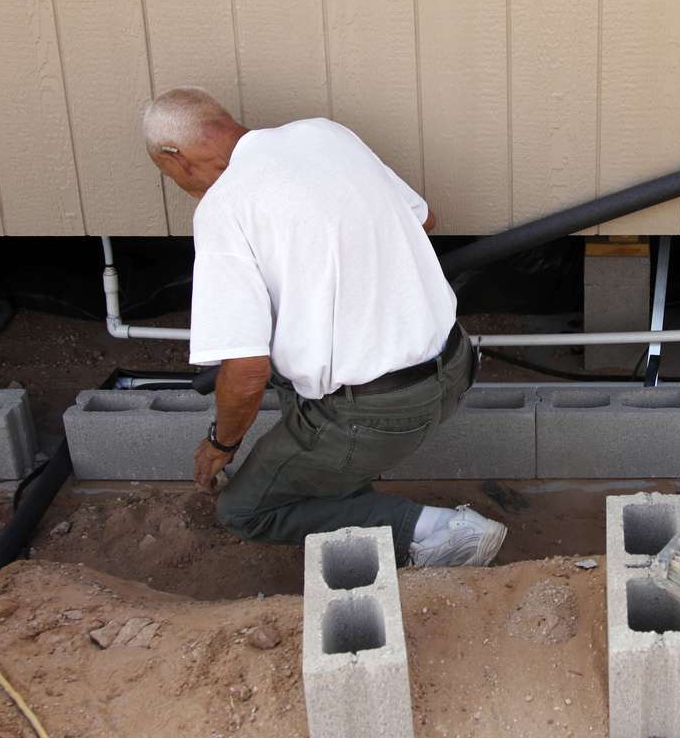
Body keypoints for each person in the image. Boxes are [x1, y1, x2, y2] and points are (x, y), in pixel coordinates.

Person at [141, 87, 505, 567]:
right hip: (455, 365)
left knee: (245, 509)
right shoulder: (325, 134)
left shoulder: (223, 208)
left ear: (174, 155)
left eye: (165, 171)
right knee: (282, 364)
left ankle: (438, 532)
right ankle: (329, 471)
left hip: (380, 412)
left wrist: (220, 444)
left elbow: (246, 371)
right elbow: (425, 219)